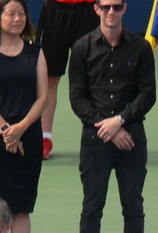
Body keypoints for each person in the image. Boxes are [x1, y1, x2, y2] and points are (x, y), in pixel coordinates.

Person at [63, 0, 156, 233]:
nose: (111, 12)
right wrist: (107, 128)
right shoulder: (81, 48)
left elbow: (147, 94)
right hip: (96, 141)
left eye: (116, 6)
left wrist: (119, 121)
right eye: (105, 7)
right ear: (96, 9)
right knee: (92, 207)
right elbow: (77, 97)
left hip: (131, 138)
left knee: (133, 206)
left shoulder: (141, 48)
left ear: (125, 9)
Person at [0, 0, 48, 233]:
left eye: (21, 14)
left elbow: (43, 97)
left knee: (22, 207)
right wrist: (7, 131)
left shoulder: (35, 52)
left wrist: (21, 128)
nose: (17, 19)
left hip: (28, 137)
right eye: (11, 14)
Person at [35, 0, 99, 159]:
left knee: (94, 77)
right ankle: (44, 137)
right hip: (55, 10)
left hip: (89, 9)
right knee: (48, 78)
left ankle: (98, 137)